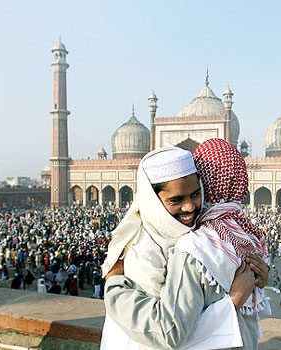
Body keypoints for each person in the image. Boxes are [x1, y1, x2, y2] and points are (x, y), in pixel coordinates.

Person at [102, 144, 267, 349]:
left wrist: (114, 285)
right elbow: (168, 331)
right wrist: (115, 283)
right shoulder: (148, 245)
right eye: (176, 199)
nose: (189, 207)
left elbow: (171, 330)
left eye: (196, 194)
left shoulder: (202, 240)